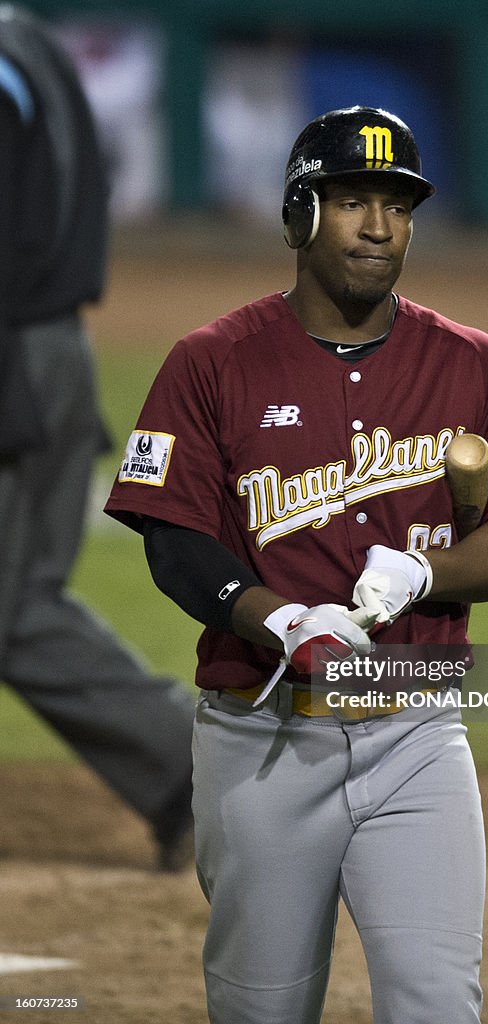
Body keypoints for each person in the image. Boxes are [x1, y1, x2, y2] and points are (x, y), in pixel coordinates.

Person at [105, 106, 488, 1022]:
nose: (379, 227)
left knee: (436, 1003)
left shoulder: (470, 362)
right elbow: (172, 536)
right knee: (262, 1009)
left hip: (416, 734)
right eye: (351, 201)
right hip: (261, 739)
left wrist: (428, 576)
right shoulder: (211, 362)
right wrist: (280, 618)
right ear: (298, 218)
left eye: (397, 207)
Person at [0, 4, 195, 872]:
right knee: (19, 600)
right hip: (51, 344)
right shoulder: (28, 37)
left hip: (17, 349)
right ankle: (201, 773)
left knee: (15, 606)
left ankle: (201, 769)